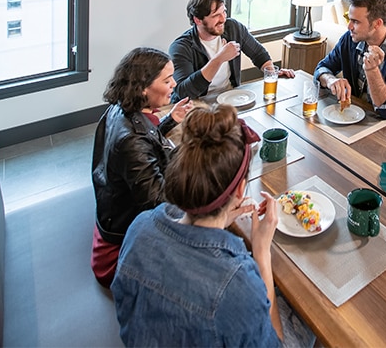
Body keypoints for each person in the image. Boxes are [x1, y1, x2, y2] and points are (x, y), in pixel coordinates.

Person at [111, 104, 283, 346]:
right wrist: (261, 253)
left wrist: (221, 219)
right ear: (241, 190)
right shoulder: (236, 283)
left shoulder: (140, 227)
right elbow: (275, 340)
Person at [91, 47, 193, 288]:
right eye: (167, 80)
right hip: (120, 249)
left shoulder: (118, 110)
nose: (174, 84)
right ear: (142, 88)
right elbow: (157, 201)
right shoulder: (131, 140)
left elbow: (144, 144)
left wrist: (170, 121)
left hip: (110, 216)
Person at [314, 0, 386, 119]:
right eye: (349, 19)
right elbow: (321, 68)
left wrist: (372, 70)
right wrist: (331, 80)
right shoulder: (349, 39)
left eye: (356, 22)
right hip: (351, 114)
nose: (349, 27)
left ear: (377, 23)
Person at [170, 0, 294, 101]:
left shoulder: (233, 27)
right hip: (198, 103)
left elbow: (258, 54)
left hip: (231, 98)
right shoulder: (181, 47)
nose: (223, 19)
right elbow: (184, 92)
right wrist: (219, 59)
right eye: (215, 15)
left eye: (224, 12)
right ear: (198, 20)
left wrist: (271, 73)